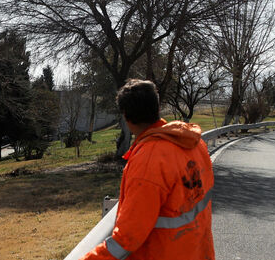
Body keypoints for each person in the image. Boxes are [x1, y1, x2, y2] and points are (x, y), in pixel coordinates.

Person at [81, 79, 215, 260]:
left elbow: (127, 238)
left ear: (126, 116)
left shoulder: (149, 161)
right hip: (198, 251)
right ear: (156, 108)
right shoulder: (195, 144)